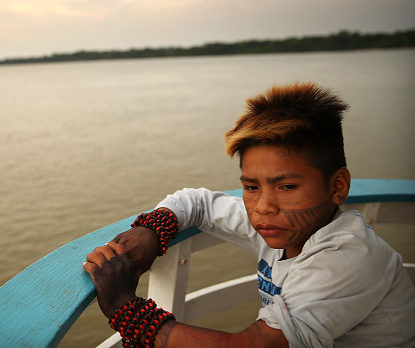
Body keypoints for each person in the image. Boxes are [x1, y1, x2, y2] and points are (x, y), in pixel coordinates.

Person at [83, 82, 415, 347]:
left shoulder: (347, 256)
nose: (263, 206)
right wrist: (153, 231)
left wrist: (126, 310)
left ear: (337, 186)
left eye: (286, 187)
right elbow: (196, 201)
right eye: (252, 186)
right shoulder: (279, 222)